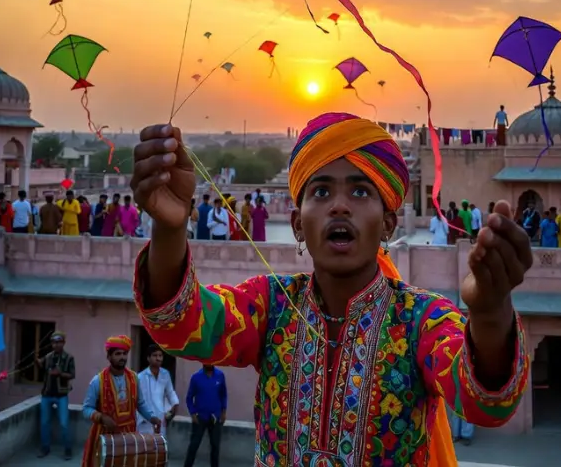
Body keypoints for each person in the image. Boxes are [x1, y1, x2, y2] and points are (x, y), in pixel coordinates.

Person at [130, 113, 532, 465]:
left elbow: (486, 402)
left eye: (360, 191)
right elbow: (180, 324)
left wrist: (490, 313)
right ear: (297, 224)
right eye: (321, 191)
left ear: (388, 224)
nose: (340, 206)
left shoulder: (420, 319)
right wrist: (169, 229)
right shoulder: (271, 306)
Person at [80, 336, 156, 467]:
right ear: (109, 357)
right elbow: (86, 409)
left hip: (129, 435)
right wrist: (102, 417)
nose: (122, 357)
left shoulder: (134, 378)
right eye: (118, 354)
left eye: (125, 353)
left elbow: (140, 403)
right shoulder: (97, 381)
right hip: (105, 436)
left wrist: (152, 417)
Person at [37, 331, 75, 460]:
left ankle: (68, 449)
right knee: (44, 423)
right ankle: (45, 447)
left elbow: (72, 375)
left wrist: (60, 374)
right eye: (54, 342)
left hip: (61, 394)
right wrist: (38, 363)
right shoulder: (48, 357)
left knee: (64, 423)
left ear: (63, 343)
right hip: (47, 394)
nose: (56, 345)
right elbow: (41, 366)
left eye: (59, 342)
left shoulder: (69, 358)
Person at [184, 363, 226, 467]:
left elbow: (223, 395)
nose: (209, 362)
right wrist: (193, 413)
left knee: (215, 447)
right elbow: (189, 398)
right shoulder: (196, 377)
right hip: (200, 418)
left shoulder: (220, 375)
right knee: (194, 445)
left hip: (215, 417)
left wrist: (223, 412)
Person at [136, 345, 177, 437]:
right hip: (145, 420)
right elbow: (139, 401)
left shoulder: (165, 374)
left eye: (160, 355)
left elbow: (170, 392)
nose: (158, 358)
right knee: (145, 444)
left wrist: (174, 405)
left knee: (160, 443)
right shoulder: (140, 377)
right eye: (155, 355)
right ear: (148, 358)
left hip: (160, 418)